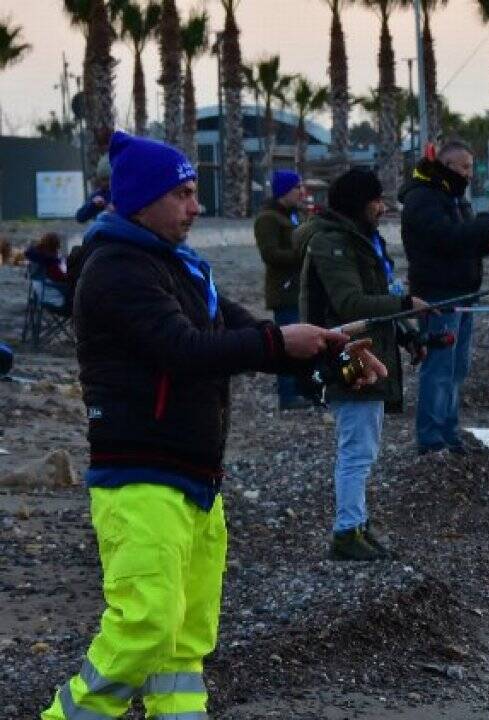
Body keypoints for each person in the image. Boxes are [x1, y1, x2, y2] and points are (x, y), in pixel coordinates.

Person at [40, 130, 384, 720]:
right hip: (139, 479)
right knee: (145, 623)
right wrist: (280, 339)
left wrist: (331, 352)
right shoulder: (116, 269)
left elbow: (244, 331)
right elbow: (187, 349)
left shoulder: (179, 266)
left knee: (186, 639)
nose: (195, 206)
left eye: (195, 192)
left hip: (197, 480)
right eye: (184, 194)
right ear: (142, 200)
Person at [299, 169, 426, 561]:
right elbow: (350, 305)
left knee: (363, 448)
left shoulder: (363, 240)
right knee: (357, 450)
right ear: (359, 202)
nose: (382, 206)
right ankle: (346, 532)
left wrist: (407, 335)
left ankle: (357, 523)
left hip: (371, 352)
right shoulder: (331, 243)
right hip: (347, 359)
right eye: (376, 199)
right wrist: (406, 306)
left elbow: (377, 296)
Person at [399, 139, 489, 456]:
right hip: (437, 294)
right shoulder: (424, 199)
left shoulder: (455, 198)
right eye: (464, 167)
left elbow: (463, 242)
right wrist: (486, 225)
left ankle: (449, 432)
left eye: (471, 168)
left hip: (463, 293)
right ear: (446, 166)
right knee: (438, 367)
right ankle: (430, 439)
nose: (470, 174)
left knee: (457, 368)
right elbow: (445, 238)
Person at [254, 170, 309, 410]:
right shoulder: (268, 219)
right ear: (284, 191)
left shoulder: (295, 217)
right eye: (297, 188)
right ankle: (288, 395)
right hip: (285, 292)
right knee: (288, 342)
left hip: (299, 290)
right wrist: (303, 255)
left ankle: (301, 390)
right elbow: (270, 254)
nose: (302, 192)